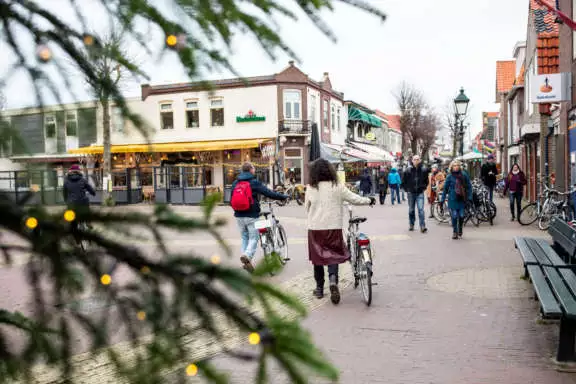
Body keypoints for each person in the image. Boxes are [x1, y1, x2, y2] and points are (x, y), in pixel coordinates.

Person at [305, 158, 375, 304]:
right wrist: (369, 200)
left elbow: (307, 207)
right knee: (332, 256)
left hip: (315, 228)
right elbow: (354, 198)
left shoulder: (311, 187)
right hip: (333, 227)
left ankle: (319, 289)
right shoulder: (337, 186)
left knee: (317, 259)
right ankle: (333, 281)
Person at [231, 162, 288, 272]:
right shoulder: (254, 182)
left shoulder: (235, 183)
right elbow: (268, 193)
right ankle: (247, 255)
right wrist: (283, 196)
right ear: (251, 170)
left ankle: (246, 258)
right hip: (251, 215)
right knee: (254, 237)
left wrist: (237, 211)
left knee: (244, 237)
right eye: (253, 168)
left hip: (238, 215)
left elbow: (231, 200)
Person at [441, 160, 473, 239]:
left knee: (461, 215)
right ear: (451, 167)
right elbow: (445, 188)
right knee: (454, 216)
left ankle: (460, 228)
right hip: (452, 199)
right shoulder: (449, 176)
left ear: (459, 166)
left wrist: (469, 197)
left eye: (457, 165)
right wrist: (443, 198)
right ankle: (455, 232)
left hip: (462, 198)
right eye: (454, 166)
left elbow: (469, 187)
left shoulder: (464, 175)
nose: (456, 167)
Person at [401, 155, 429, 233]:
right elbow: (403, 181)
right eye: (415, 159)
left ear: (420, 160)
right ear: (412, 161)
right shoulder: (408, 170)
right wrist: (407, 189)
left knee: (421, 210)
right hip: (411, 193)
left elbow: (426, 181)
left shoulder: (423, 170)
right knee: (411, 210)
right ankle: (411, 224)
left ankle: (422, 226)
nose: (416, 161)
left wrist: (423, 187)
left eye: (417, 159)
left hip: (420, 192)